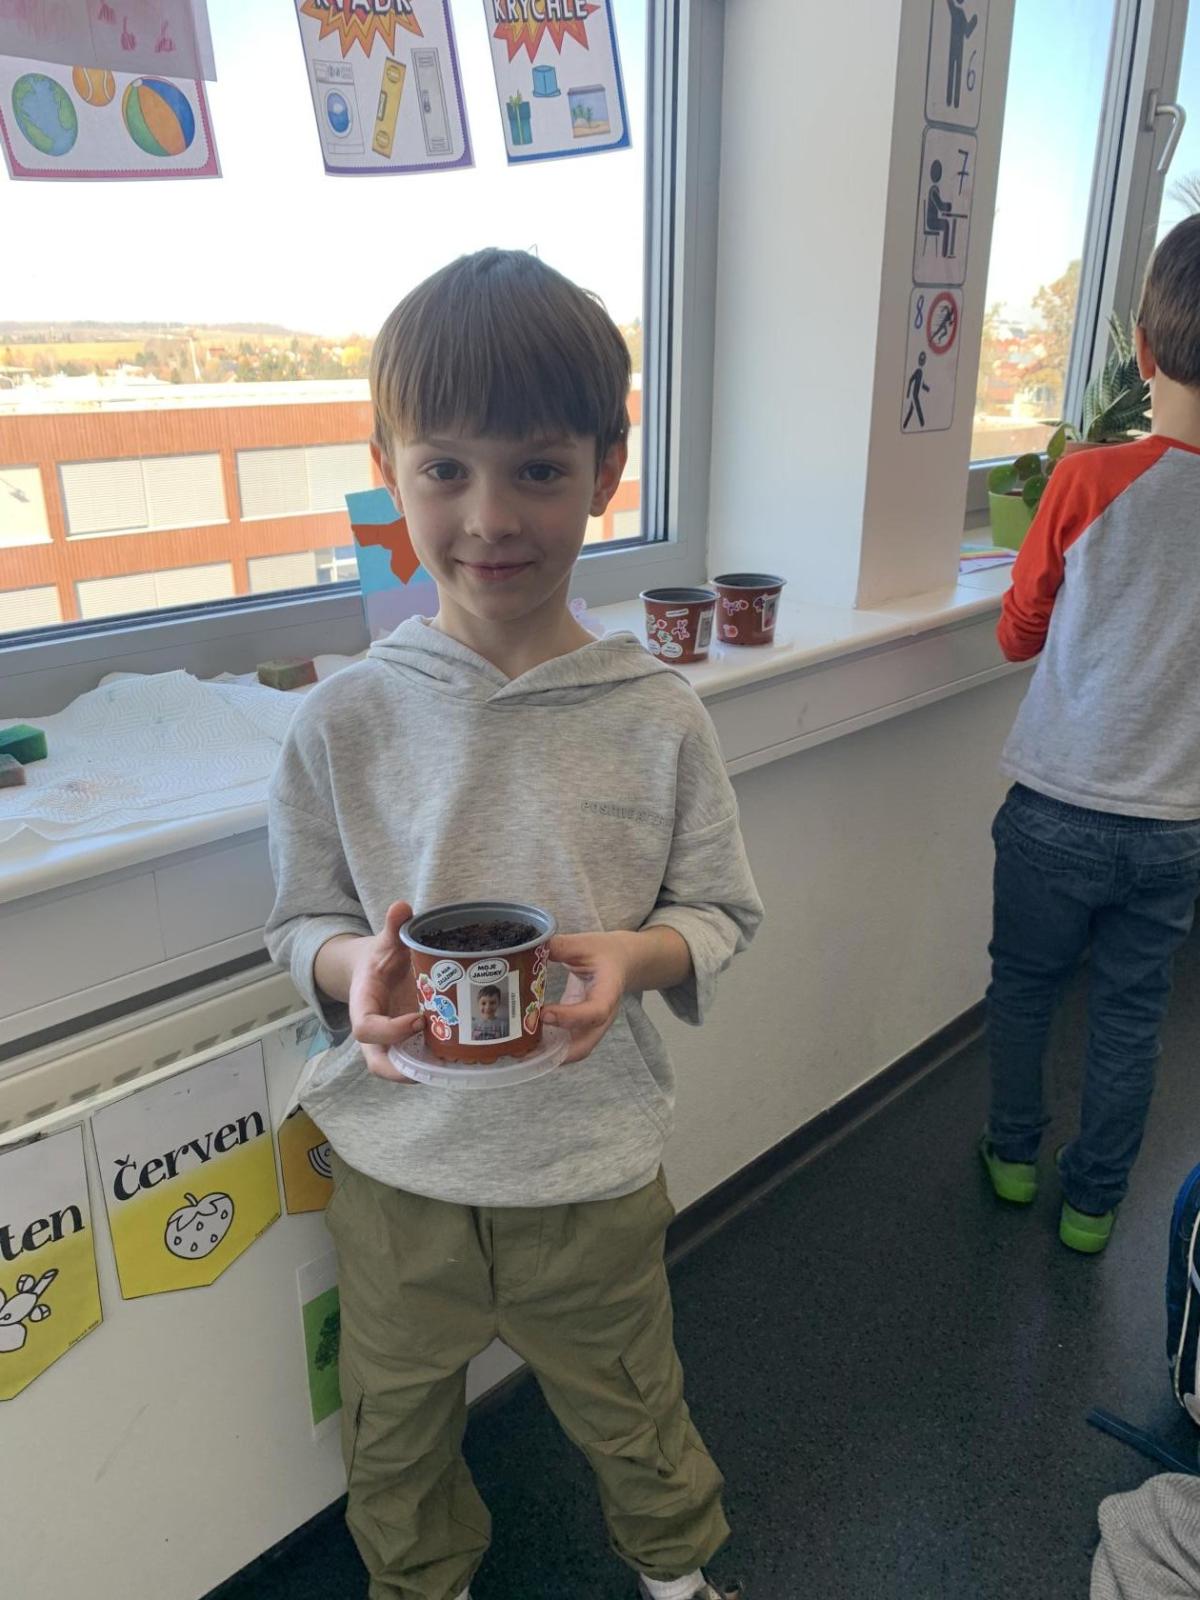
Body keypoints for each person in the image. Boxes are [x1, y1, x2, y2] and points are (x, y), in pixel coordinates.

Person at [265, 248, 763, 1600]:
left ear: (607, 469)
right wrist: (351, 966)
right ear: (389, 469)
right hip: (397, 1171)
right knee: (393, 1432)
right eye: (446, 469)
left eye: (538, 469)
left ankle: (678, 1575)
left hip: (588, 1169)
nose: (489, 517)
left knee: (635, 1405)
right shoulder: (342, 717)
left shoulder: (658, 715)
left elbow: (719, 907)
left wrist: (638, 956)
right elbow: (299, 919)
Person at [979, 216, 1200, 1255]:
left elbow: (1018, 634)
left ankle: (1013, 1158)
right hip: (1176, 824)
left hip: (1056, 805)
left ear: (1143, 351)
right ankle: (1095, 1204)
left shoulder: (1085, 478)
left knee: (1024, 987)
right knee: (1129, 1015)